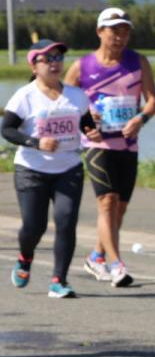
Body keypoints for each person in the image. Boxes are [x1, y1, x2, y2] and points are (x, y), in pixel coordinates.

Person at [65, 7, 155, 288]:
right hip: (97, 143)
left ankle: (96, 256)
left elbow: (153, 101)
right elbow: (64, 103)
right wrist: (85, 120)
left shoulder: (138, 62)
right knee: (106, 202)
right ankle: (118, 266)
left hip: (127, 143)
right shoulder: (82, 67)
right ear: (99, 32)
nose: (120, 36)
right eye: (114, 30)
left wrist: (140, 118)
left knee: (120, 208)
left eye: (125, 30)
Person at [3, 41, 98, 298]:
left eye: (58, 58)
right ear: (34, 66)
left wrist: (93, 132)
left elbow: (86, 124)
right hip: (31, 169)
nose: (55, 63)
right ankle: (25, 257)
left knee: (66, 221)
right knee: (35, 227)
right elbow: (7, 129)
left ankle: (59, 280)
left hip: (68, 168)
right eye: (47, 59)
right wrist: (36, 142)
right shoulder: (25, 96)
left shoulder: (76, 96)